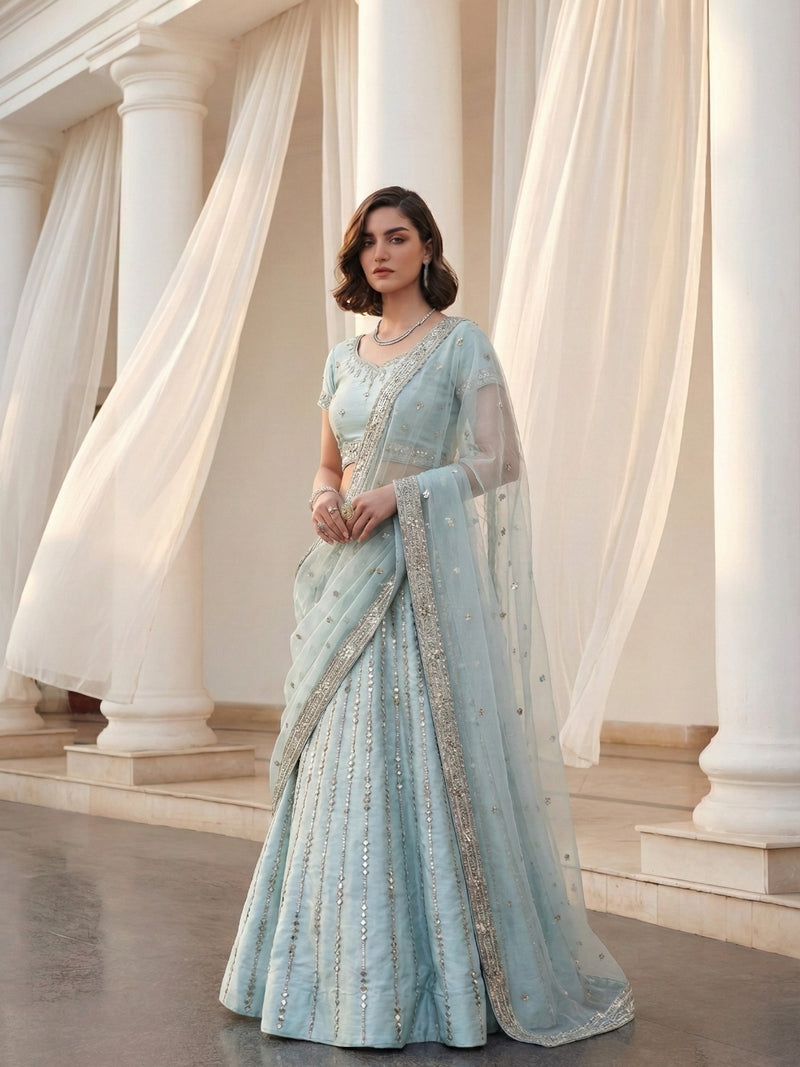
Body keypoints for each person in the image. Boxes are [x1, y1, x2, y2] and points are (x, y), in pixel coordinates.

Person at [220, 187, 634, 1048]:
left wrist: (401, 494)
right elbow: (324, 462)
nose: (380, 252)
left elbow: (500, 459)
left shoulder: (461, 345)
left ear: (426, 249)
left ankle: (440, 981)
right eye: (368, 240)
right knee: (337, 769)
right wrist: (325, 496)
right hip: (345, 581)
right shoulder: (344, 358)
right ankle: (324, 981)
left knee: (415, 761)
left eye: (397, 237)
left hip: (420, 596)